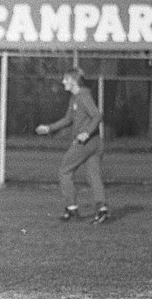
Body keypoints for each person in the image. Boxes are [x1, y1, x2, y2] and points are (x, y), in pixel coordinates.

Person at [35, 68, 109, 224]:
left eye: (65, 79)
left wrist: (86, 133)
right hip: (95, 142)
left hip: (86, 142)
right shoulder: (76, 97)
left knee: (64, 171)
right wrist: (49, 128)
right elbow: (68, 119)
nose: (63, 82)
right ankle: (102, 210)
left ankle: (72, 208)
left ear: (73, 80)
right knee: (93, 175)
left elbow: (97, 115)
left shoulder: (82, 96)